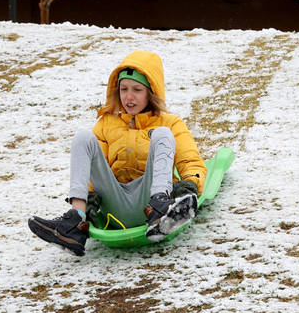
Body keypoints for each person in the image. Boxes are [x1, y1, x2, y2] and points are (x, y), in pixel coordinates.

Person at [28, 50, 208, 256]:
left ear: (151, 91)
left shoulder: (170, 123)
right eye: (123, 89)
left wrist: (189, 187)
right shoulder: (106, 123)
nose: (128, 97)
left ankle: (161, 209)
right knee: (82, 137)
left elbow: (190, 161)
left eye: (137, 90)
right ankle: (75, 221)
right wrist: (90, 200)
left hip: (150, 199)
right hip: (115, 202)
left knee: (163, 134)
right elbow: (95, 168)